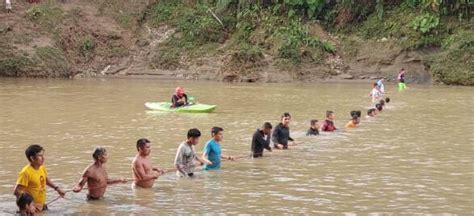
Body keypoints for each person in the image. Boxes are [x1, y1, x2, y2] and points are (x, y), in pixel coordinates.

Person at [13, 144, 65, 211]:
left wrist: (57, 188)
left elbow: (45, 179)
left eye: (43, 155)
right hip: (31, 209)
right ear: (32, 158)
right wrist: (31, 205)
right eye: (40, 155)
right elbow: (17, 191)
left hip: (41, 206)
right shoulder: (25, 172)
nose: (43, 158)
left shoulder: (41, 167)